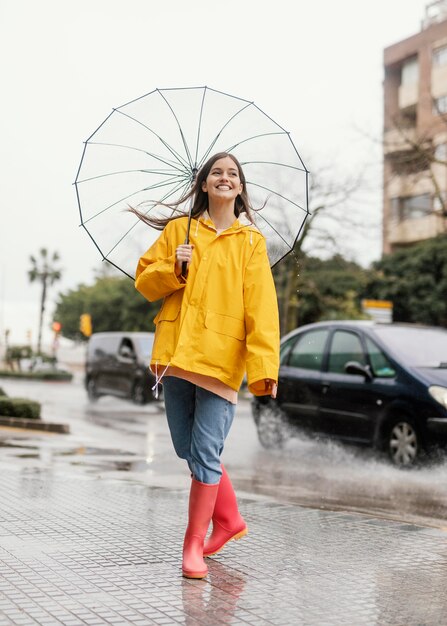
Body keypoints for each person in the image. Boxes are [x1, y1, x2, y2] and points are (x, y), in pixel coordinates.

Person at [132, 152, 279, 579]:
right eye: (217, 172)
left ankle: (192, 546)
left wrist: (264, 365)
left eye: (233, 174)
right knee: (189, 449)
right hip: (178, 355)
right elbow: (144, 282)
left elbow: (262, 310)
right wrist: (174, 267)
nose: (225, 178)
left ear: (240, 187)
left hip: (221, 361)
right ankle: (230, 520)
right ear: (203, 184)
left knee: (205, 453)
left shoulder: (251, 242)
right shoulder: (180, 230)